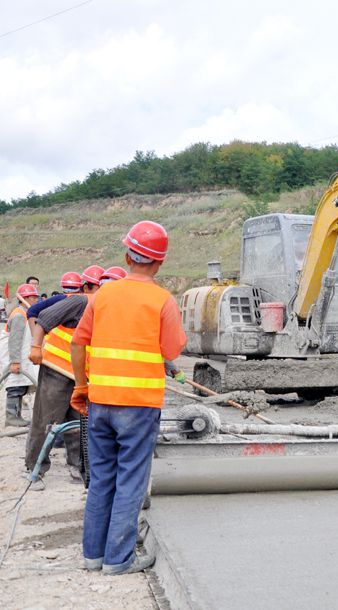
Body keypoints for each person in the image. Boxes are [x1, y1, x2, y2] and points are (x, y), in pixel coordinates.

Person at [71, 220, 186, 575]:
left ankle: (93, 557)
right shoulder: (162, 300)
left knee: (102, 478)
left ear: (127, 255)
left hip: (100, 401)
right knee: (130, 480)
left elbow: (78, 342)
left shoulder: (103, 295)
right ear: (160, 263)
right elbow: (172, 349)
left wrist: (80, 386)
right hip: (138, 405)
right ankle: (118, 560)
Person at [24, 265, 104, 487]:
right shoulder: (80, 302)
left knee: (78, 423)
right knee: (47, 420)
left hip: (80, 376)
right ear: (88, 287)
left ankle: (77, 467)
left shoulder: (110, 309)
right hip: (56, 371)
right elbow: (42, 317)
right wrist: (35, 347)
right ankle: (35, 469)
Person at [5, 284, 41, 427]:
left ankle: (16, 415)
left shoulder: (26, 313)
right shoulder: (20, 314)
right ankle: (12, 417)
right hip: (16, 357)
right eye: (33, 297)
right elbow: (15, 340)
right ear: (25, 298)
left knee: (20, 386)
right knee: (15, 387)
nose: (36, 300)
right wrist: (15, 361)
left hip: (21, 356)